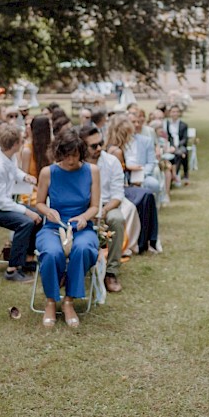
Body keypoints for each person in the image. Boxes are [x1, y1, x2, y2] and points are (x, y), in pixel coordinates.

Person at [34, 129, 101, 328]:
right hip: (54, 227)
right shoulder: (48, 172)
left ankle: (69, 300)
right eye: (66, 155)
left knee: (83, 249)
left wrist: (83, 217)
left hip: (82, 227)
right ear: (59, 153)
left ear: (81, 152)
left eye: (75, 155)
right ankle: (51, 302)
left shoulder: (92, 171)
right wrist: (48, 211)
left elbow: (95, 206)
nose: (71, 160)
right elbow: (38, 203)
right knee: (51, 252)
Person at [0, 124, 40, 282]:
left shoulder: (6, 153)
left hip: (2, 202)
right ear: (15, 145)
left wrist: (24, 177)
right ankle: (12, 269)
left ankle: (27, 259)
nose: (23, 143)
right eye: (21, 141)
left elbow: (13, 170)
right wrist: (26, 211)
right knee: (26, 222)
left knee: (39, 215)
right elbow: (2, 203)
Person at [80, 125, 128, 293]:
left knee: (117, 219)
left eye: (101, 143)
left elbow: (118, 195)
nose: (99, 148)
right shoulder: (76, 164)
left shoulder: (111, 161)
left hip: (107, 205)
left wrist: (103, 210)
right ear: (83, 147)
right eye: (94, 146)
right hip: (82, 207)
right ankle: (71, 269)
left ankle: (111, 271)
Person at [165, 105, 190, 185]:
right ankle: (176, 174)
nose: (175, 113)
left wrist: (177, 146)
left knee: (181, 152)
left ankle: (177, 174)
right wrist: (171, 145)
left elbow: (185, 139)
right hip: (169, 145)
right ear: (170, 113)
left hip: (180, 145)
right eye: (173, 112)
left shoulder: (183, 125)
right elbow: (167, 137)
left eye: (176, 112)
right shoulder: (167, 124)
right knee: (180, 154)